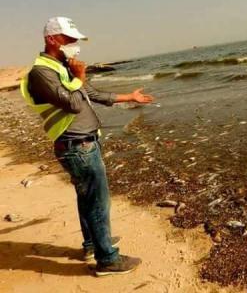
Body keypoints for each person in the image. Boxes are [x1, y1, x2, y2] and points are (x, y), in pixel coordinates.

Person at [20, 17, 154, 276]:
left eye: (75, 40)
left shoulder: (61, 67)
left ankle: (93, 244)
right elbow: (73, 103)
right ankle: (108, 260)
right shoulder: (41, 73)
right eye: (69, 39)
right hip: (75, 145)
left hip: (83, 143)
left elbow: (90, 94)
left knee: (87, 197)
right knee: (97, 201)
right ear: (52, 39)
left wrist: (129, 97)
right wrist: (79, 76)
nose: (74, 44)